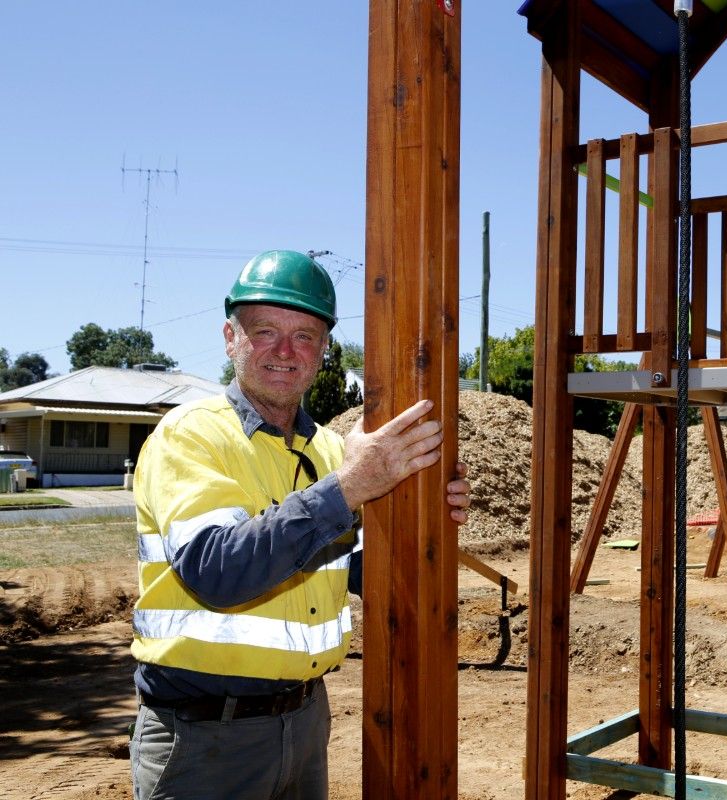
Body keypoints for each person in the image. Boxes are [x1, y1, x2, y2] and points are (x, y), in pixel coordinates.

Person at [128, 250, 470, 799]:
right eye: (265, 331)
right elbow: (217, 570)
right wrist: (352, 486)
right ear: (230, 337)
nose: (285, 351)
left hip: (306, 722)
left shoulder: (333, 450)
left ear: (324, 352)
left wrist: (428, 521)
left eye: (305, 336)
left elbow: (364, 574)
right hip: (205, 739)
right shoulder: (191, 435)